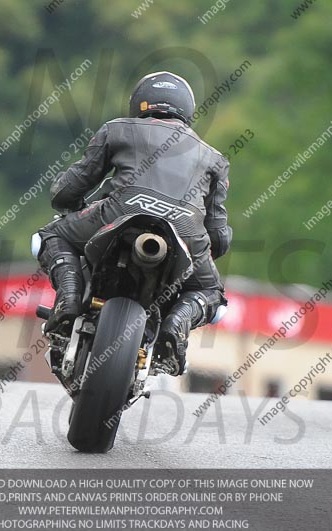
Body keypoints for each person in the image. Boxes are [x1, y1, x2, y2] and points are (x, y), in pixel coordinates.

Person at [36, 71, 232, 376]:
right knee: (211, 293)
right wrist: (203, 247)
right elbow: (218, 236)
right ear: (188, 110)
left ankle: (69, 299)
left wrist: (73, 208)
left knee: (50, 235)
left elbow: (67, 191)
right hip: (185, 231)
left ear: (139, 102)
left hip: (118, 213)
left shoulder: (117, 129)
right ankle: (177, 323)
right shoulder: (214, 158)